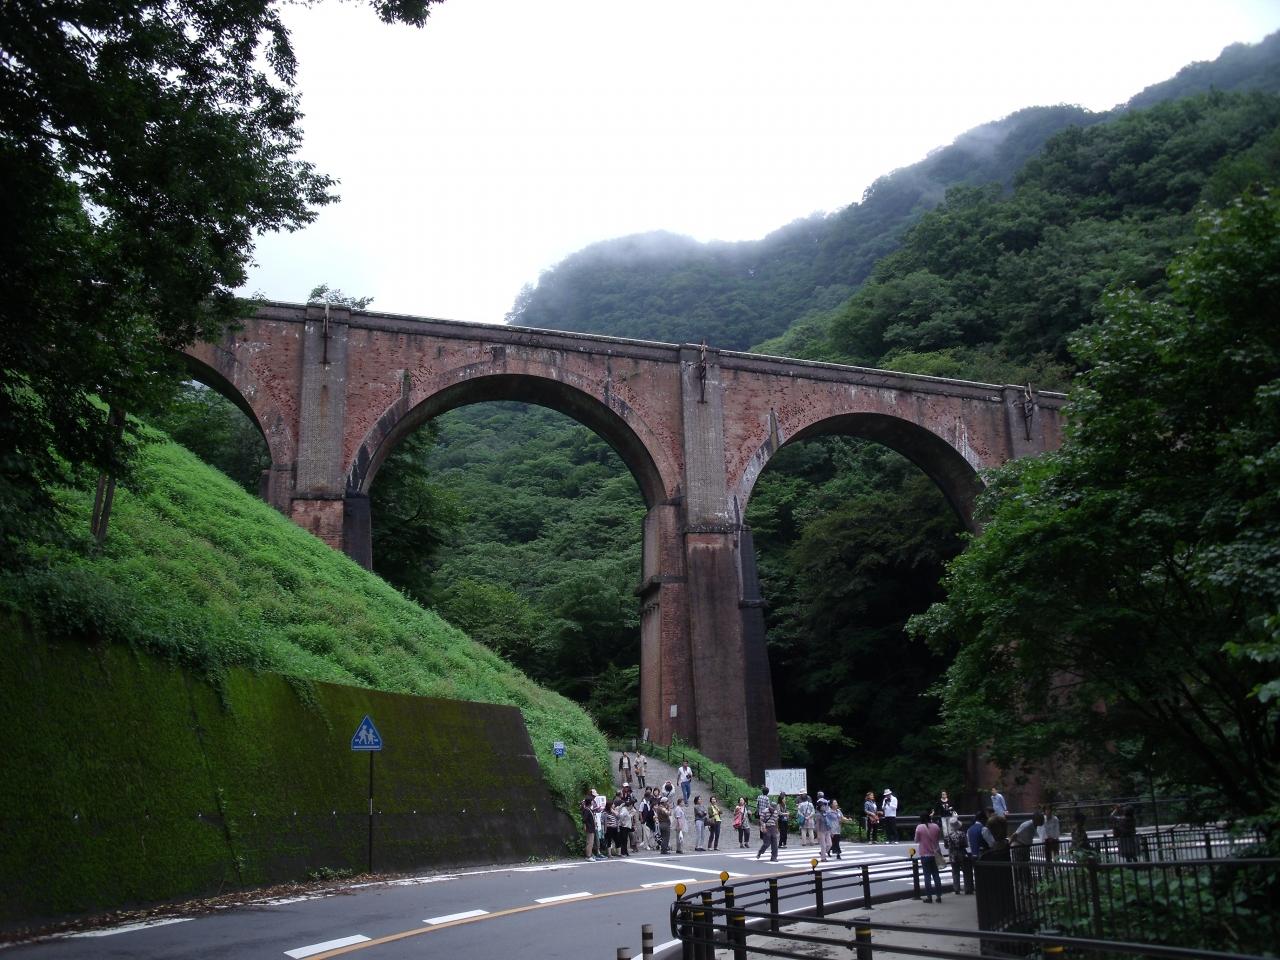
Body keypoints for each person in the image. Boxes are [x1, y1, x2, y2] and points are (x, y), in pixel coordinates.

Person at [915, 811, 944, 903]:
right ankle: (939, 896)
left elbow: (916, 840)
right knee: (936, 875)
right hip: (935, 854)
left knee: (927, 876)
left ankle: (929, 897)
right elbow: (938, 838)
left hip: (925, 854)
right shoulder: (936, 826)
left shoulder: (919, 827)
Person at [946, 813, 969, 894]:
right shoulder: (962, 834)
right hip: (962, 853)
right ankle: (967, 888)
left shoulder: (948, 835)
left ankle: (956, 889)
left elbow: (946, 846)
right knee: (965, 871)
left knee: (955, 872)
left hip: (953, 854)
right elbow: (966, 844)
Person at [756, 796, 780, 862]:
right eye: (771, 808)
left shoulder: (775, 812)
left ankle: (774, 857)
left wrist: (777, 829)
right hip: (766, 827)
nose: (772, 810)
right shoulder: (765, 811)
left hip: (773, 827)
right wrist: (763, 827)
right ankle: (760, 852)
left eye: (773, 809)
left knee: (775, 843)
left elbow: (776, 821)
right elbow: (761, 820)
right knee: (767, 843)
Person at [581, 789, 599, 861]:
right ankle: (588, 856)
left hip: (591, 827)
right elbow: (584, 819)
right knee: (590, 842)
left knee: (590, 842)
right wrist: (585, 826)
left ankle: (589, 854)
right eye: (592, 801)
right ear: (590, 802)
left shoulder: (589, 809)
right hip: (589, 827)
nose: (593, 801)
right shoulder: (587, 810)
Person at [815, 794, 832, 861]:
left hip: (827, 830)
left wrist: (831, 830)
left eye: (824, 806)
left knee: (829, 844)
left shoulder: (826, 813)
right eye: (822, 806)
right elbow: (817, 824)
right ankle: (823, 858)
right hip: (821, 831)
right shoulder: (818, 814)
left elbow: (829, 821)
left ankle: (822, 852)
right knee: (823, 845)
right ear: (819, 807)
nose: (824, 807)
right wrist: (818, 833)